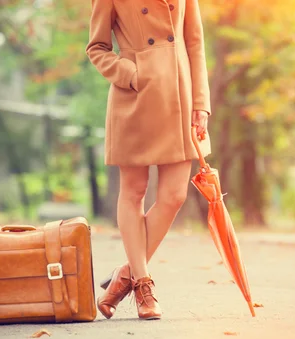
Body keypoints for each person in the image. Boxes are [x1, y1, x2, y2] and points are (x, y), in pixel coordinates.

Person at [85, 0, 212, 321]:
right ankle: (143, 284)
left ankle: (124, 275)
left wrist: (201, 103)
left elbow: (195, 42)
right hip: (135, 95)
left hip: (180, 95)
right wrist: (130, 73)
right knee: (134, 191)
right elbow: (97, 47)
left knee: (174, 195)